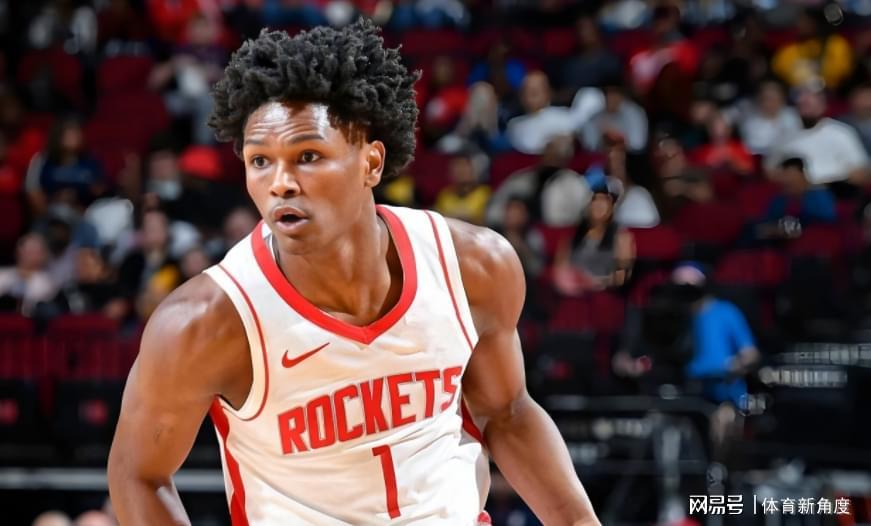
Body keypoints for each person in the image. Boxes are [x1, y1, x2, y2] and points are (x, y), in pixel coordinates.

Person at [108, 20, 601, 526]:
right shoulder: (205, 321)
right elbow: (137, 475)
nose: (281, 183)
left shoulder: (473, 266)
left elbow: (508, 413)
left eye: (307, 156)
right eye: (260, 161)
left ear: (371, 163)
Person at [552, 178, 635, 296]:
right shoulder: (573, 234)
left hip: (606, 294)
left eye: (604, 201)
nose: (599, 205)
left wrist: (595, 282)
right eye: (595, 200)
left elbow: (622, 276)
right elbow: (560, 269)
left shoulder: (621, 236)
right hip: (573, 294)